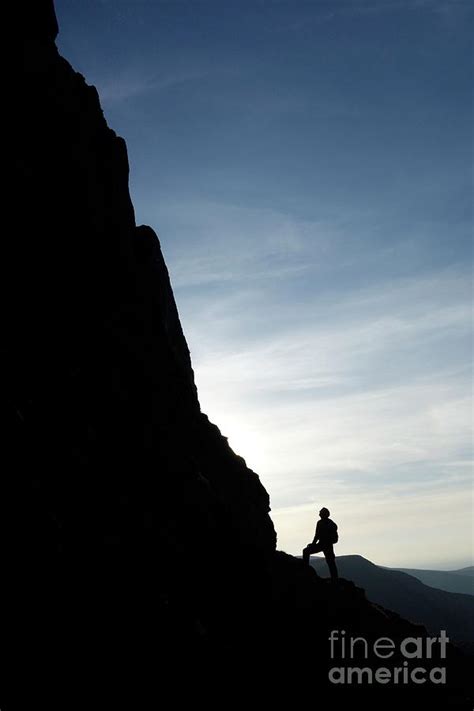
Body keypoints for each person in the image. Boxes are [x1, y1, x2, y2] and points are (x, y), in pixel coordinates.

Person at [303, 507, 338, 580]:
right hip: (322, 544)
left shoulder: (330, 524)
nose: (319, 514)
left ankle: (335, 578)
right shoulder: (321, 523)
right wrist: (313, 544)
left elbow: (317, 535)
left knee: (330, 561)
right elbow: (317, 535)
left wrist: (314, 544)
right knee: (306, 551)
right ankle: (305, 571)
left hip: (326, 545)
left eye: (320, 513)